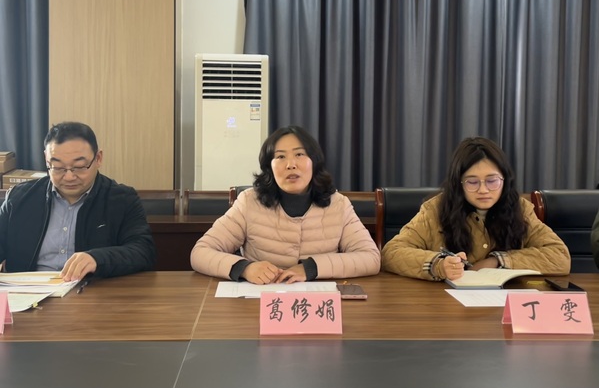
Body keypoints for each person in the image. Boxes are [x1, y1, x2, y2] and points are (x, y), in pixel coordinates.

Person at [190, 125, 381, 284]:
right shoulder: (249, 202)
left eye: (299, 154)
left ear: (314, 162)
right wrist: (245, 268)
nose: (291, 164)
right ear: (269, 167)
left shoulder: (338, 204)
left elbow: (370, 258)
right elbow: (200, 253)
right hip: (260, 301)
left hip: (317, 303)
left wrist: (311, 268)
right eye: (280, 157)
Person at [382, 136, 570, 281]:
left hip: (504, 303)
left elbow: (559, 256)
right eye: (472, 182)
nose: (483, 190)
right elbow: (391, 253)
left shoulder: (520, 209)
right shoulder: (435, 209)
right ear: (458, 183)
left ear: (504, 180)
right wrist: (438, 265)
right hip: (446, 304)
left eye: (492, 181)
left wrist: (498, 261)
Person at [0, 122, 156, 281]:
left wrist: (97, 259)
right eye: (58, 167)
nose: (69, 177)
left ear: (98, 158)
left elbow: (143, 252)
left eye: (79, 166)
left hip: (91, 290)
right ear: (46, 160)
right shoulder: (19, 198)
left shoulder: (122, 199)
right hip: (29, 290)